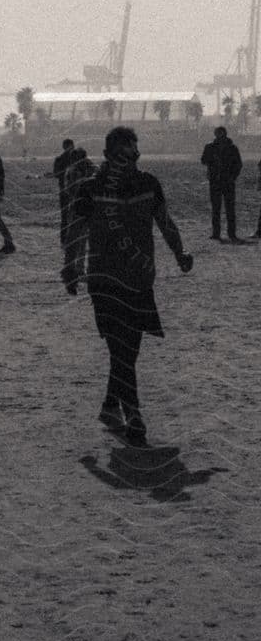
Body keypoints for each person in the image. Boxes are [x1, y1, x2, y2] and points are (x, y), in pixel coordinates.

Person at [69, 124, 194, 446]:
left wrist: (180, 253)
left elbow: (165, 223)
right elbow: (77, 232)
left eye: (135, 154)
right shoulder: (92, 188)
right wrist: (71, 267)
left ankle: (112, 400)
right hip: (106, 280)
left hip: (137, 281)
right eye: (126, 155)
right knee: (122, 348)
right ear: (110, 156)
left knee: (126, 349)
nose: (132, 160)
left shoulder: (147, 184)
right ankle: (134, 417)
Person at [59, 145, 96, 290]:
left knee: (78, 241)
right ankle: (74, 268)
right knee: (78, 241)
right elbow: (72, 189)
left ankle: (76, 268)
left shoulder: (78, 169)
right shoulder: (79, 170)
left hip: (80, 208)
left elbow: (70, 189)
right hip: (82, 208)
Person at [200, 124, 243, 241]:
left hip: (225, 181)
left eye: (220, 133)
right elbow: (203, 160)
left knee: (228, 209)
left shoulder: (231, 148)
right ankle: (217, 233)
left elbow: (238, 164)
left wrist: (232, 177)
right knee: (217, 208)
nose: (219, 135)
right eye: (218, 133)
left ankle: (230, 233)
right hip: (217, 181)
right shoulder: (211, 147)